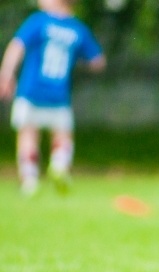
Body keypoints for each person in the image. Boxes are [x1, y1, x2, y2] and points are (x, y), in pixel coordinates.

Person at [0, 0, 106, 197]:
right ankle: (59, 165)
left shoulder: (38, 21)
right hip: (59, 94)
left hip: (30, 91)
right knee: (62, 135)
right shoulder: (77, 29)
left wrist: (6, 73)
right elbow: (97, 61)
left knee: (28, 135)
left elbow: (17, 46)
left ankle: (30, 180)